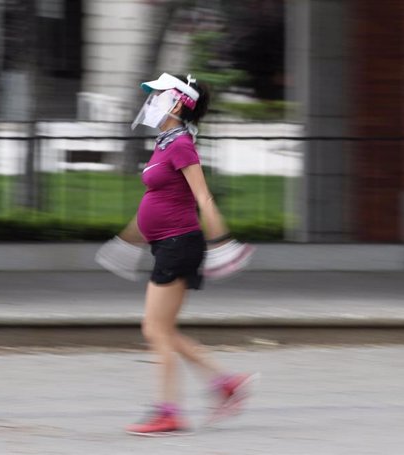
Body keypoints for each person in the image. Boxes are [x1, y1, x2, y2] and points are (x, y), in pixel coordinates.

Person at [96, 73, 257, 436]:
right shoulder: (165, 143)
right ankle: (226, 383)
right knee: (162, 329)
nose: (150, 101)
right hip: (167, 243)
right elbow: (158, 200)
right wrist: (127, 242)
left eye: (157, 96)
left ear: (177, 103)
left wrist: (222, 245)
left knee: (154, 329)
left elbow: (203, 197)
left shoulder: (181, 144)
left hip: (179, 245)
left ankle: (169, 412)